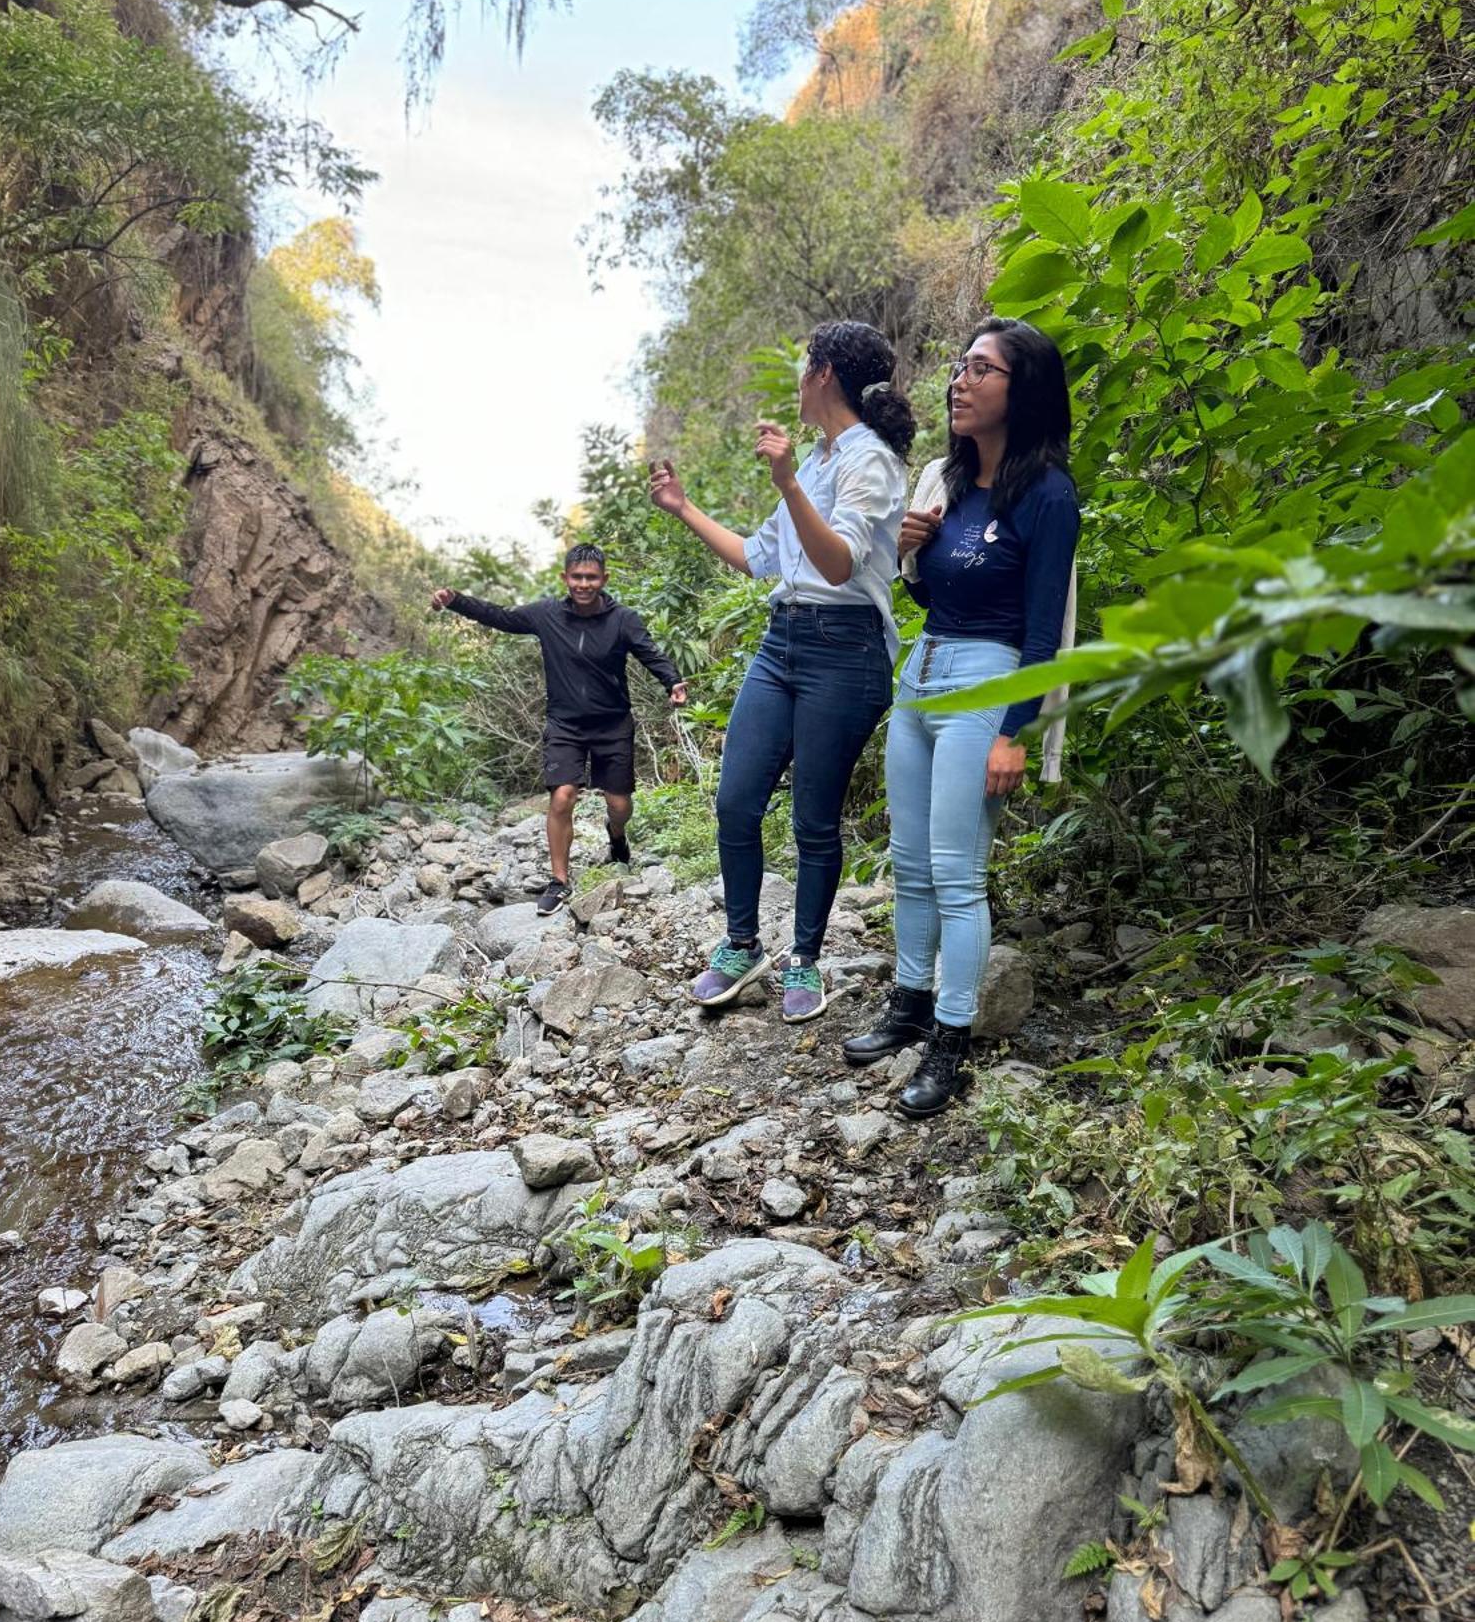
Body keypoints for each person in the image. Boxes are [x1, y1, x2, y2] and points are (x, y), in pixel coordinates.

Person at [844, 316, 1079, 1116]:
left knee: (956, 872)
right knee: (907, 863)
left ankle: (951, 1039)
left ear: (1024, 390)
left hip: (986, 681)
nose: (960, 380)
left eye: (982, 370)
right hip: (923, 672)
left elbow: (1044, 631)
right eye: (960, 366)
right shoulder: (946, 481)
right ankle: (909, 1005)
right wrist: (914, 551)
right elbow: (932, 593)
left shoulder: (1047, 493)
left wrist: (1016, 731)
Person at [649, 319, 914, 1022]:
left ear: (823, 374)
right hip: (782, 642)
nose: (798, 380)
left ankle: (805, 958)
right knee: (736, 799)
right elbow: (756, 556)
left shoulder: (870, 462)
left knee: (812, 820)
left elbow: (837, 563)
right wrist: (682, 509)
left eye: (804, 368)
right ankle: (742, 945)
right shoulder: (823, 460)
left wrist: (790, 480)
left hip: (846, 649)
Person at [432, 544, 687, 913]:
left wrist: (673, 682)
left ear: (604, 579)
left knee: (619, 804)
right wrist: (456, 600)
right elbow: (500, 617)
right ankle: (559, 881)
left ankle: (616, 836)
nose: (584, 584)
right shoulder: (547, 614)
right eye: (577, 577)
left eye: (592, 577)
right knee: (563, 795)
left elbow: (650, 652)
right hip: (565, 724)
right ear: (565, 578)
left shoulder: (623, 619)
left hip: (613, 724)